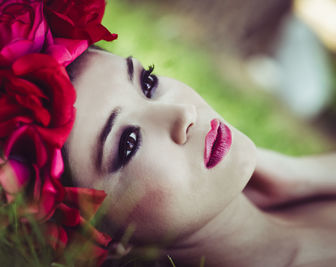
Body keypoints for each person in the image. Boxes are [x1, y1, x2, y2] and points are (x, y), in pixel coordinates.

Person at [63, 47, 336, 266]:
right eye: (129, 143)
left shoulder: (300, 188)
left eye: (147, 83)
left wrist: (305, 174)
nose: (182, 113)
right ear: (99, 239)